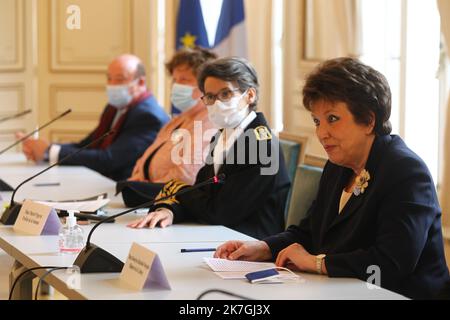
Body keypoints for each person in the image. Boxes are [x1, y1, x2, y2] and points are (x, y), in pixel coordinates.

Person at [214, 57, 450, 299]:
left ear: (369, 120)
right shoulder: (338, 166)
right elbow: (310, 232)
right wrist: (263, 248)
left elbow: (391, 263)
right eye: (317, 121)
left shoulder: (406, 171)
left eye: (333, 119)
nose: (321, 133)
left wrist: (317, 264)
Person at [127, 57, 291, 239]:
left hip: (251, 244)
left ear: (250, 95)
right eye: (211, 97)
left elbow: (221, 211)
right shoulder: (221, 136)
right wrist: (170, 210)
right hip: (218, 235)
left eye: (226, 94)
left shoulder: (261, 146)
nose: (217, 103)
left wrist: (177, 190)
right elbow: (201, 192)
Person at [16, 54, 169, 181]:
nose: (112, 84)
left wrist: (50, 151)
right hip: (100, 181)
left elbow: (109, 160)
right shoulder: (114, 108)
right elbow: (88, 145)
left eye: (120, 79)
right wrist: (44, 149)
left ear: (141, 82)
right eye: (109, 78)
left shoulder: (148, 116)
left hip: (123, 191)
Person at [117, 47, 218, 206]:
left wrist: (146, 188)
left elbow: (187, 175)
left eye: (184, 80)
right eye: (175, 80)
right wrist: (139, 181)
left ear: (205, 85)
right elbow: (143, 161)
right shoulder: (178, 119)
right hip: (148, 199)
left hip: (173, 204)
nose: (176, 86)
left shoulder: (210, 122)